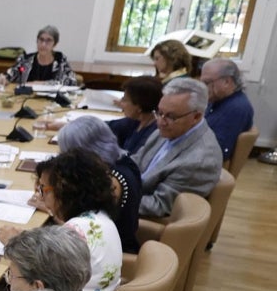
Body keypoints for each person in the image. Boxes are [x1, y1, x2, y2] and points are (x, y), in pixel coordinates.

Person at [4, 149, 123, 291]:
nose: (42, 197)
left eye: (44, 189)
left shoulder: (74, 233)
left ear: (65, 190)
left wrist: (15, 242)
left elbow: (37, 278)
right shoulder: (99, 218)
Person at [132, 77, 222, 218]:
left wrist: (114, 198)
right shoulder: (170, 129)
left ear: (196, 116)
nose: (161, 122)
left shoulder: (198, 161)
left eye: (171, 116)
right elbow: (136, 161)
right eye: (159, 112)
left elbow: (158, 206)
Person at [57, 115, 142, 253]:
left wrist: (53, 208)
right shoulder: (124, 161)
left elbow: (83, 231)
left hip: (112, 254)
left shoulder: (109, 182)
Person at [201, 57, 254, 161]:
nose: (203, 88)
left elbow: (218, 151)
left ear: (226, 82)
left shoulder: (236, 108)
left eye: (207, 83)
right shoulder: (218, 100)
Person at [0, 25, 76, 87]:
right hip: (25, 99)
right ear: (37, 41)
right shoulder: (25, 60)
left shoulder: (60, 60)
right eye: (41, 40)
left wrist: (39, 84)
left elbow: (71, 82)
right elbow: (11, 74)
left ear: (55, 44)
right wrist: (3, 78)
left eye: (48, 40)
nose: (43, 44)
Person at [107, 76, 162, 158]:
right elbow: (105, 126)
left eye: (125, 100)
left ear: (139, 107)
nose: (121, 104)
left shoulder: (151, 135)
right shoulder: (135, 121)